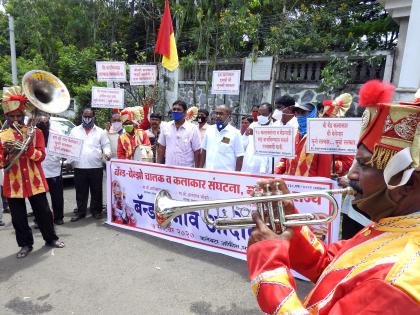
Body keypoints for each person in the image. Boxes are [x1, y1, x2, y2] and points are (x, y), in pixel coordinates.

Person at [247, 80, 420, 314]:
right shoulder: (391, 227)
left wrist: (269, 266)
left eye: (364, 164)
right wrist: (291, 225)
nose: (352, 173)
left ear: (407, 185)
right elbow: (330, 264)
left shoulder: (399, 281)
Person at [0, 86, 64, 258]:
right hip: (14, 183)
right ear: (7, 117)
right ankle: (25, 245)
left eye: (18, 116)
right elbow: (1, 163)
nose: (15, 119)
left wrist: (28, 150)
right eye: (11, 116)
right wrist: (6, 153)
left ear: (23, 115)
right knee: (18, 218)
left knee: (44, 212)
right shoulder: (3, 136)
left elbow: (41, 156)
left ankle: (50, 238)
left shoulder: (35, 133)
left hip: (34, 181)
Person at [69, 108, 111, 222]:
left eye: (89, 116)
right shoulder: (74, 131)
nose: (87, 119)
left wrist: (107, 153)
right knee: (80, 191)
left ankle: (96, 211)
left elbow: (106, 145)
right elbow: (70, 148)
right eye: (85, 116)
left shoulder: (100, 132)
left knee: (96, 190)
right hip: (79, 166)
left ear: (94, 117)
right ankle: (81, 212)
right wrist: (69, 161)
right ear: (82, 116)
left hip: (96, 166)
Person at [275, 102, 332, 177]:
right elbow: (284, 159)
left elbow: (323, 168)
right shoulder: (293, 133)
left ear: (313, 114)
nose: (300, 116)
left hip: (309, 186)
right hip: (289, 184)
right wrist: (276, 173)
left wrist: (322, 186)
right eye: (297, 113)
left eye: (303, 112)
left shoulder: (321, 137)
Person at [157, 100, 201, 167]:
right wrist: (158, 166)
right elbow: (161, 148)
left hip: (186, 170)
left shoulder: (193, 128)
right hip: (168, 168)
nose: (175, 111)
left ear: (185, 113)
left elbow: (197, 151)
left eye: (178, 110)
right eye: (174, 109)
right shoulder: (166, 127)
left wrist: (198, 171)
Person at [38, 114, 64, 225]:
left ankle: (58, 217)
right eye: (41, 122)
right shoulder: (32, 133)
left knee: (57, 196)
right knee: (39, 199)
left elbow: (63, 149)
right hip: (38, 170)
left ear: (49, 120)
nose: (43, 123)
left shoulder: (56, 133)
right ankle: (41, 219)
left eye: (45, 121)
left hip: (54, 170)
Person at [200, 104, 244, 171]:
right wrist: (200, 170)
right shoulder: (209, 130)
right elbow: (204, 150)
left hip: (226, 176)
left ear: (229, 116)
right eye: (216, 113)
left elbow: (240, 156)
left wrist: (236, 176)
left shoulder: (235, 133)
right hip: (209, 173)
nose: (218, 116)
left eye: (221, 114)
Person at [242, 103, 275, 174]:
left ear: (270, 114)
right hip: (249, 164)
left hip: (265, 165)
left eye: (264, 114)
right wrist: (246, 135)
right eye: (259, 114)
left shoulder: (276, 128)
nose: (260, 116)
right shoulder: (253, 125)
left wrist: (257, 133)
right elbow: (243, 145)